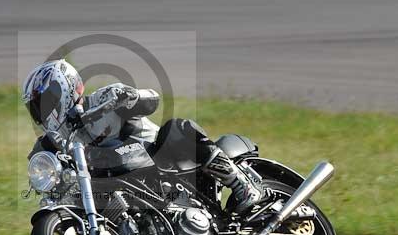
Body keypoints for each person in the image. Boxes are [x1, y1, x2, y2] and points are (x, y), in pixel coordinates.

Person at [22, 59, 266, 211]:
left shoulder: (102, 99)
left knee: (176, 128)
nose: (42, 110)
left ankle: (241, 185)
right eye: (36, 107)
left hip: (158, 160)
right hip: (113, 186)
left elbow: (152, 100)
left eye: (46, 100)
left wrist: (130, 97)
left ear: (65, 87)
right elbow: (40, 170)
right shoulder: (51, 142)